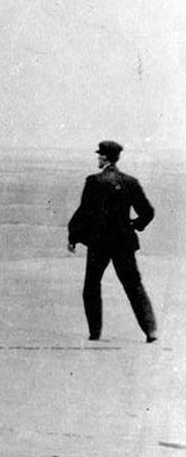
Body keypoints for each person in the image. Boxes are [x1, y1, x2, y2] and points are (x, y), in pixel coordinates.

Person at [67, 140, 158, 342]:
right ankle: (151, 331)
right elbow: (148, 212)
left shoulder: (93, 181)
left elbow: (84, 212)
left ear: (105, 158)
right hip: (124, 242)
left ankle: (95, 334)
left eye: (100, 155)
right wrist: (135, 225)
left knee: (91, 286)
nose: (98, 158)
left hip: (99, 243)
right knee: (134, 286)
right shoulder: (131, 182)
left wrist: (73, 235)